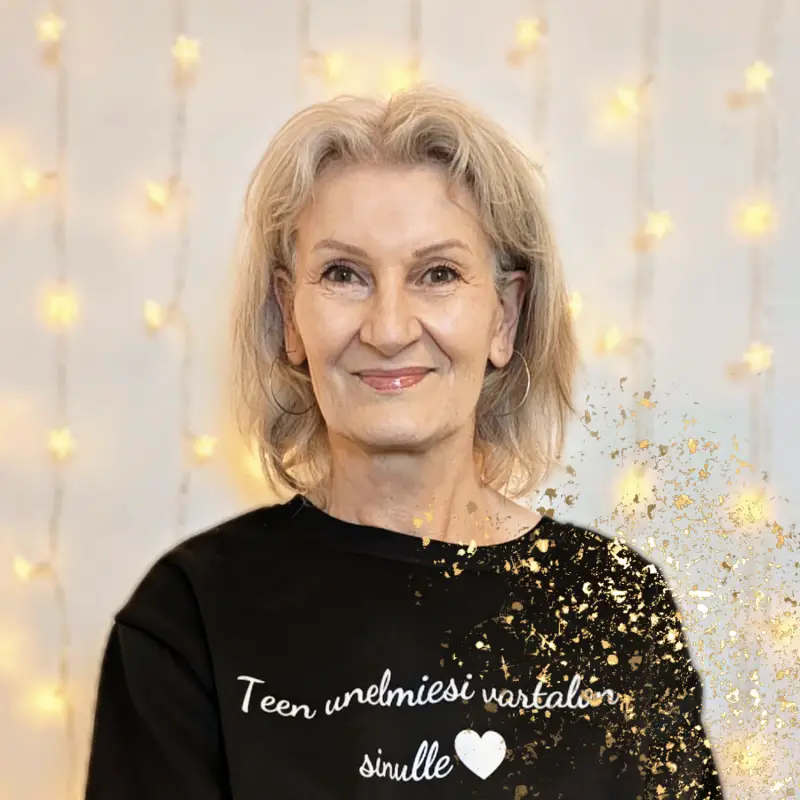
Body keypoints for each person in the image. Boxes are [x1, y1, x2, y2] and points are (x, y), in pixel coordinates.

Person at [84, 84, 723, 799]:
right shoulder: (190, 616)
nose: (389, 329)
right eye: (344, 274)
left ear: (505, 317)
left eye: (437, 274)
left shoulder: (613, 605)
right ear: (290, 317)